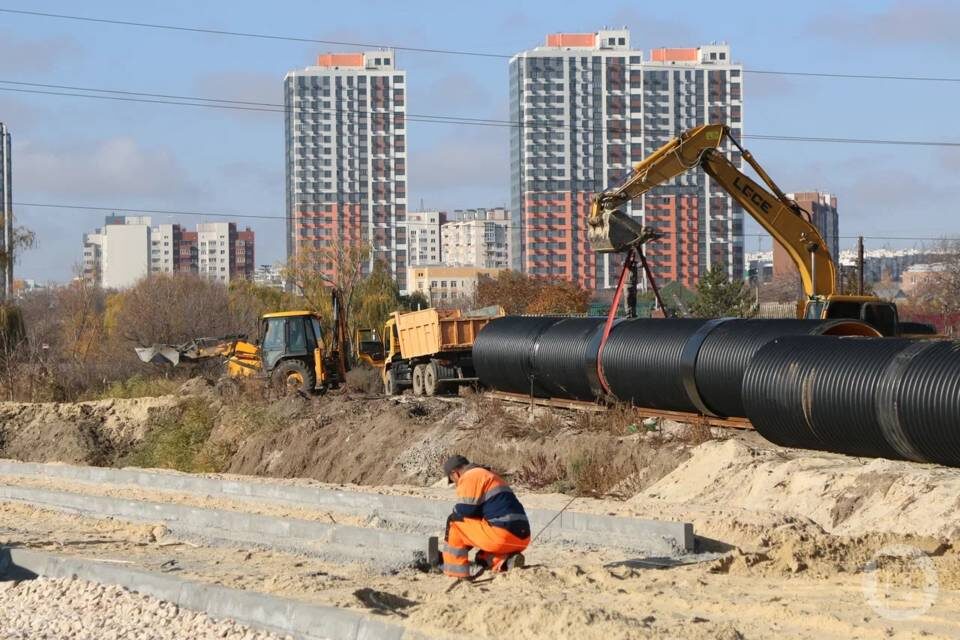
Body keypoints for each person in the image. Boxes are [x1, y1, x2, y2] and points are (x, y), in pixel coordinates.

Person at [440, 455, 530, 579]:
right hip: (522, 538)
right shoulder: (489, 475)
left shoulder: (470, 476)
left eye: (452, 480)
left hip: (501, 535)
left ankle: (455, 572)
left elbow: (465, 511)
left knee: (454, 521)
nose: (455, 484)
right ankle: (505, 561)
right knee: (481, 558)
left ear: (455, 474)